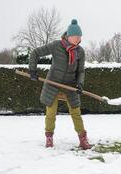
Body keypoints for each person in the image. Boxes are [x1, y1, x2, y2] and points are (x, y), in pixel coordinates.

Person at [28, 19, 91, 150]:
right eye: (75, 36)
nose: (78, 39)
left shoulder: (80, 52)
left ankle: (83, 139)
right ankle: (49, 138)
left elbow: (80, 71)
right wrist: (32, 70)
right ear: (68, 36)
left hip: (70, 85)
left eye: (80, 37)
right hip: (53, 84)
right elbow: (35, 53)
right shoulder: (57, 45)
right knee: (51, 113)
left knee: (76, 112)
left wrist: (79, 84)